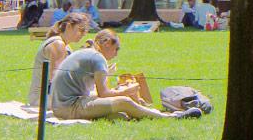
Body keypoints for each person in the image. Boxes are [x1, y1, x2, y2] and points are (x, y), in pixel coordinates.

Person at [50, 30, 196, 120]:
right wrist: (126, 91)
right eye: (116, 49)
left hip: (60, 107)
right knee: (124, 102)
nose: (116, 54)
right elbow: (104, 94)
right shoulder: (97, 58)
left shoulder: (85, 53)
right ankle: (169, 117)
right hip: (70, 108)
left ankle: (145, 113)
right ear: (107, 43)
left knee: (120, 112)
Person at [27, 12, 90, 108]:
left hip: (51, 96)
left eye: (85, 31)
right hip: (42, 99)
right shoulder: (58, 44)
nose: (83, 34)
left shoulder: (64, 45)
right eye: (81, 30)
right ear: (69, 27)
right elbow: (56, 77)